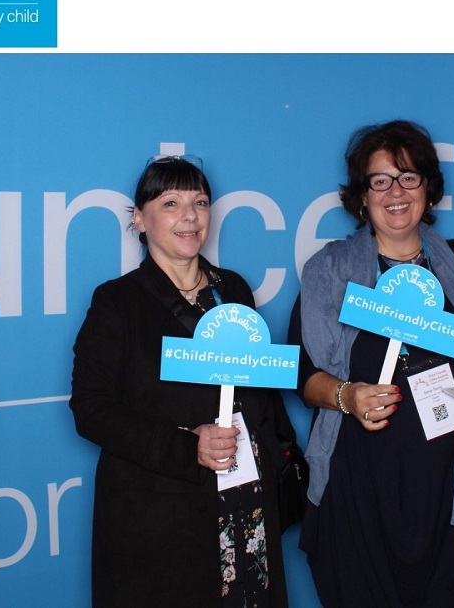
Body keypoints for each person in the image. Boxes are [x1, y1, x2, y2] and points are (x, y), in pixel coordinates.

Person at [290, 120, 454, 607]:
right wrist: (347, 396)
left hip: (450, 480)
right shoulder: (331, 270)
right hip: (360, 480)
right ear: (362, 195)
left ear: (427, 189)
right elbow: (302, 373)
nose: (396, 192)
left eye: (408, 177)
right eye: (381, 180)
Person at [70, 156, 296, 607]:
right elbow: (91, 410)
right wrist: (186, 446)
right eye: (170, 203)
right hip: (162, 517)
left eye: (200, 202)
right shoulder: (117, 302)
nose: (190, 216)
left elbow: (259, 391)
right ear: (140, 218)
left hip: (246, 502)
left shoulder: (234, 289)